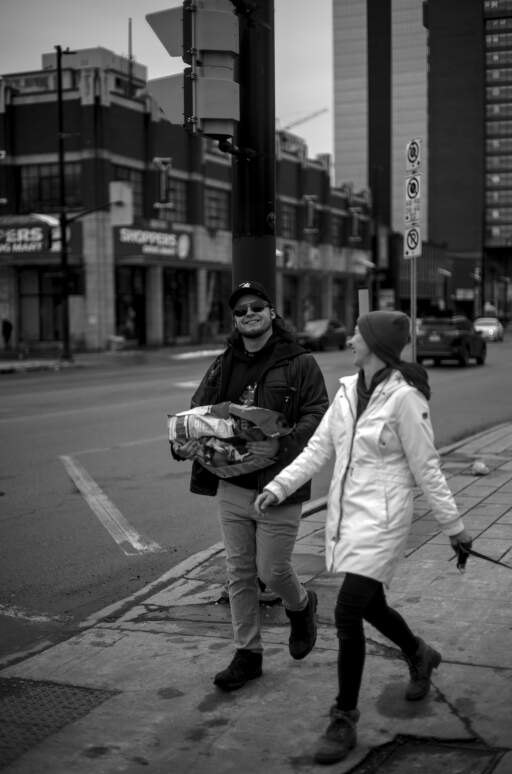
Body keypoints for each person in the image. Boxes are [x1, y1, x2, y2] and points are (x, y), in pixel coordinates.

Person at [255, 310, 472, 765]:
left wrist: (454, 528)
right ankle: (419, 652)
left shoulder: (405, 400)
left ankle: (344, 716)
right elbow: (318, 449)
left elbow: (427, 467)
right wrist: (278, 487)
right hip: (349, 519)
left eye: (357, 333)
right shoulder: (347, 392)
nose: (350, 339)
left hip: (385, 522)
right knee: (370, 605)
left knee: (348, 611)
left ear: (375, 344)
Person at [172, 280, 329, 692]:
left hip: (280, 484)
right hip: (232, 484)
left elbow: (318, 414)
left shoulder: (299, 362)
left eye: (256, 307)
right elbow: (198, 411)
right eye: (240, 311)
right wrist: (184, 441)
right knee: (239, 573)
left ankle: (302, 605)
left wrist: (279, 446)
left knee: (272, 570)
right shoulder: (223, 363)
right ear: (235, 320)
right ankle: (247, 653)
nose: (248, 315)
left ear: (271, 312)